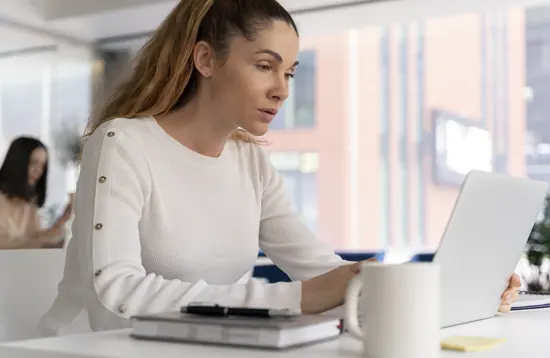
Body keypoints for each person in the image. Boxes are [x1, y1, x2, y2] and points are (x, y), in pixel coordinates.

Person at [39, 0, 520, 334]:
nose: (282, 90)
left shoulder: (251, 163)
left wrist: (445, 290)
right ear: (205, 58)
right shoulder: (122, 143)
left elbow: (326, 274)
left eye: (289, 72)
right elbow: (115, 296)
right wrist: (295, 299)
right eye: (265, 66)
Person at [0, 136, 71, 249]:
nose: (38, 171)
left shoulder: (29, 204)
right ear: (17, 162)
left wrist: (64, 218)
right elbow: (6, 245)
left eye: (42, 166)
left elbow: (35, 239)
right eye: (33, 163)